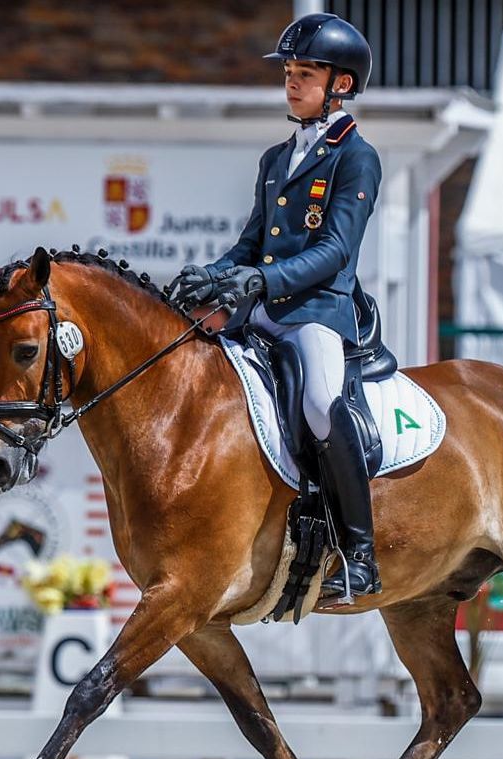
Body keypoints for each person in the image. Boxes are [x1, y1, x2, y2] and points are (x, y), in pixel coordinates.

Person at [179, 12, 382, 603]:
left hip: (318, 313)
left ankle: (361, 553)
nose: (291, 83)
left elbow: (335, 249)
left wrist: (259, 283)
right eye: (288, 72)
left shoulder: (356, 157)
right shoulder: (275, 159)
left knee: (321, 403)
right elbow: (251, 243)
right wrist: (212, 275)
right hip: (262, 315)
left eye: (305, 73)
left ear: (340, 84)